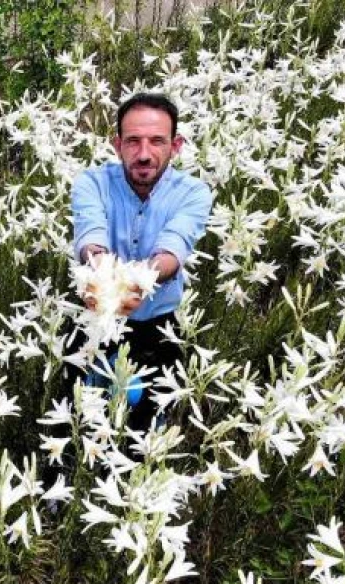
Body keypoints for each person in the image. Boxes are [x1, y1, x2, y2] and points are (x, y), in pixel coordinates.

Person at [68, 92, 213, 431]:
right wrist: (107, 279)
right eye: (133, 141)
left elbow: (171, 253)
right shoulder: (91, 182)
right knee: (84, 412)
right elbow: (91, 239)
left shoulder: (194, 192)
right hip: (96, 320)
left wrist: (132, 282)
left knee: (147, 420)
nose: (144, 154)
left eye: (157, 141)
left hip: (158, 327)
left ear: (175, 146)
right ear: (117, 144)